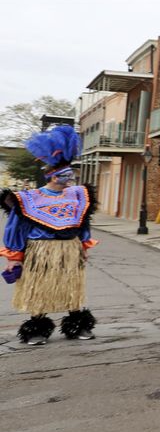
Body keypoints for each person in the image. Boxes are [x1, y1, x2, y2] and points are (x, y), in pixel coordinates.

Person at [1, 125, 97, 345]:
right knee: (39, 287)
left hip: (69, 248)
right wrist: (13, 259)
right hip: (40, 250)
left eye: (71, 174)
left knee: (72, 286)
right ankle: (37, 327)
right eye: (65, 175)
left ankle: (77, 325)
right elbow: (16, 228)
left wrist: (83, 247)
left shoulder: (77, 195)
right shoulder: (29, 198)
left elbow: (83, 224)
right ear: (52, 176)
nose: (70, 179)